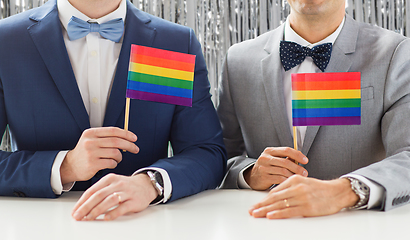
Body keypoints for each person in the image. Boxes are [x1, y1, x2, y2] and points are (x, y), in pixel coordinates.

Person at [0, 0, 226, 221]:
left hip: (143, 223)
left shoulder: (173, 43)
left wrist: (150, 183)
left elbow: (206, 152)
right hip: (38, 225)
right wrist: (63, 167)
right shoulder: (6, 41)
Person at [217, 0, 410, 219]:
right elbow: (217, 157)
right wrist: (249, 173)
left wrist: (344, 191)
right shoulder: (238, 60)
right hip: (266, 225)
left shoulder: (395, 53)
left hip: (355, 227)